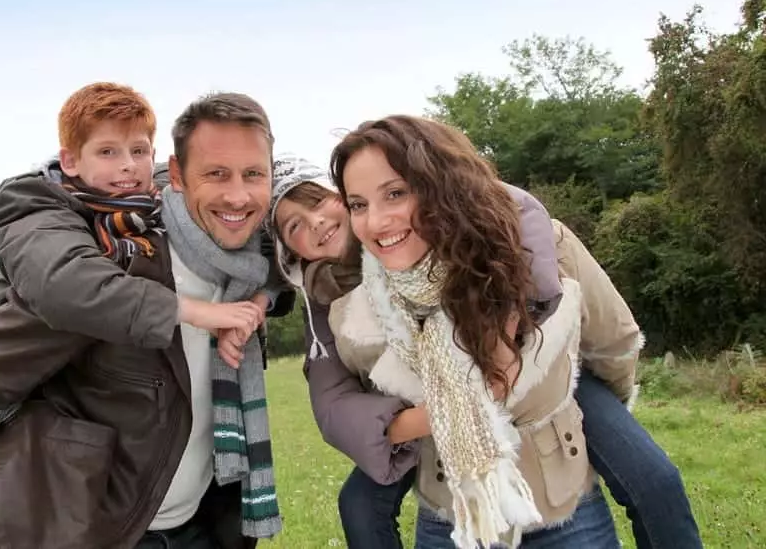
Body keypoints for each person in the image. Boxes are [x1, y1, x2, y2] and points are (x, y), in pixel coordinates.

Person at [269, 132, 701, 547]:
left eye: (320, 201)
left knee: (654, 478)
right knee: (360, 504)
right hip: (425, 409)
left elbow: (515, 211)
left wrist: (516, 332)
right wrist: (440, 412)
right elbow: (334, 405)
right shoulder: (326, 301)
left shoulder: (453, 226)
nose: (318, 222)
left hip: (537, 367)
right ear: (291, 251)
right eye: (294, 227)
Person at [0, 85, 288, 549]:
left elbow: (311, 224)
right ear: (177, 175)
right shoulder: (103, 261)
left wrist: (261, 300)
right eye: (216, 174)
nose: (237, 196)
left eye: (252, 175)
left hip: (200, 528)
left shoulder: (247, 261)